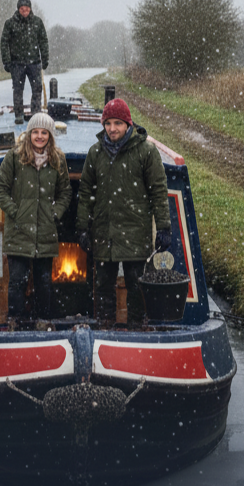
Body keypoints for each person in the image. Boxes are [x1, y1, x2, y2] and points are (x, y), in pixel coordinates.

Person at [75, 98, 171, 328]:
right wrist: (82, 227)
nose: (112, 129)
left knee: (136, 284)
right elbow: (86, 191)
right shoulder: (95, 152)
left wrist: (164, 227)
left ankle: (136, 327)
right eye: (108, 123)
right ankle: (105, 326)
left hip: (135, 232)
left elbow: (158, 190)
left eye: (117, 123)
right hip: (104, 231)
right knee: (103, 285)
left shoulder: (146, 151)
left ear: (128, 124)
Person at [0, 111, 72, 324]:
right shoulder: (15, 157)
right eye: (35, 132)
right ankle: (15, 322)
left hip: (45, 232)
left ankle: (42, 322)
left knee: (44, 282)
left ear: (50, 135)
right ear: (29, 134)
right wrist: (16, 212)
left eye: (43, 132)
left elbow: (65, 192)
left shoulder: (58, 159)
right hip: (18, 232)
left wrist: (55, 213)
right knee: (17, 281)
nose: (39, 136)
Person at [0, 0, 50, 125]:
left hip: (34, 63)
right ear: (18, 9)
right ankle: (19, 116)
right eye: (22, 8)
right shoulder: (10, 24)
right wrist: (6, 61)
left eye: (27, 8)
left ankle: (36, 115)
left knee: (37, 89)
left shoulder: (37, 22)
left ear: (30, 9)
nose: (25, 11)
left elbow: (43, 41)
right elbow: (4, 43)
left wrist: (45, 59)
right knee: (18, 90)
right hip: (17, 64)